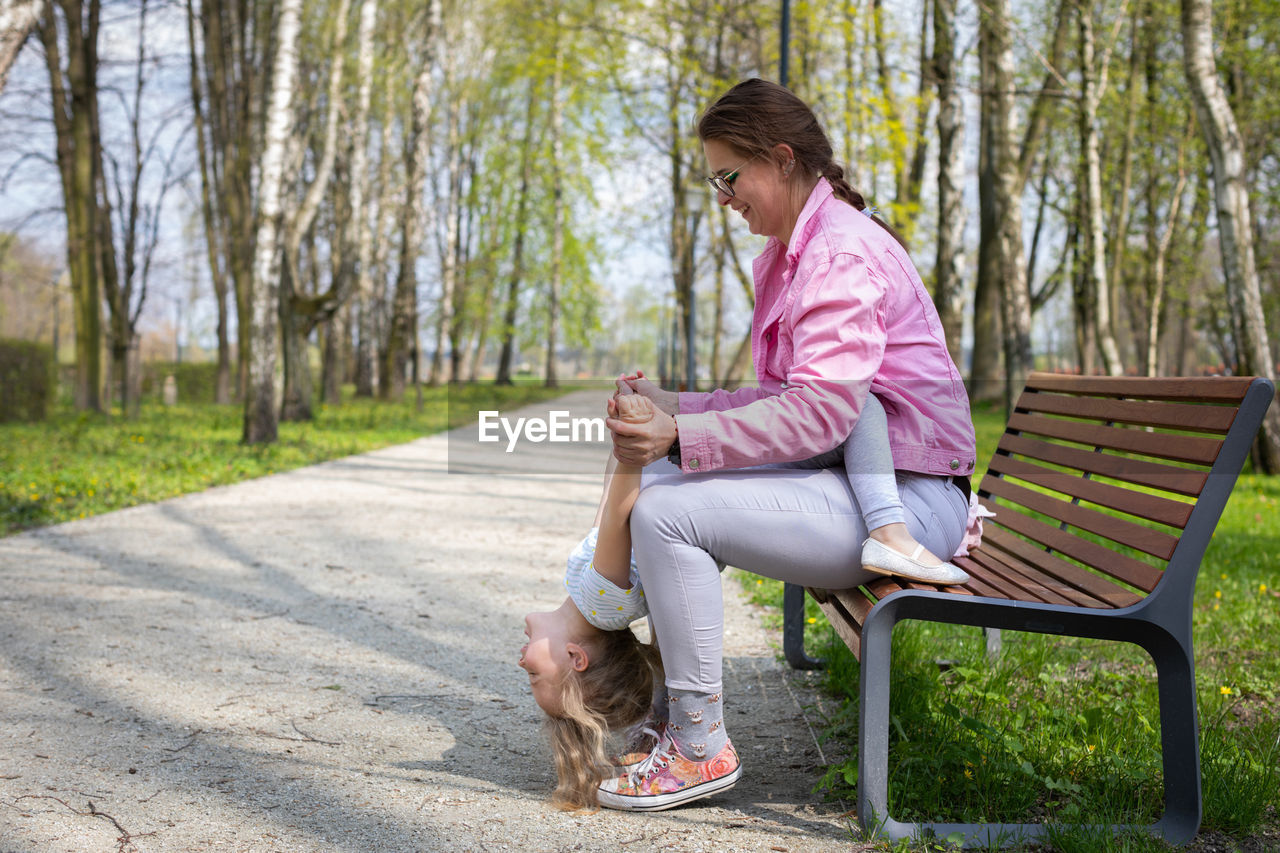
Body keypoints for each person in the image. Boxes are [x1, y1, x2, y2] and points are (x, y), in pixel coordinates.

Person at [597, 78, 978, 812]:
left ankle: (701, 751)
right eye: (715, 180)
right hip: (864, 483)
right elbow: (787, 401)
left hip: (906, 502)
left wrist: (682, 432)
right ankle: (679, 719)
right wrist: (679, 408)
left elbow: (823, 414)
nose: (723, 195)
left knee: (668, 515)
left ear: (780, 158)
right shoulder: (791, 253)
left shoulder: (836, 254)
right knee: (663, 490)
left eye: (729, 177)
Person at [518, 391, 666, 811]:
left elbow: (605, 507)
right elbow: (617, 515)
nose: (521, 664)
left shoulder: (593, 599)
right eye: (534, 677)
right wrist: (632, 440)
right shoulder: (603, 605)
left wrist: (620, 435)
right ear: (575, 658)